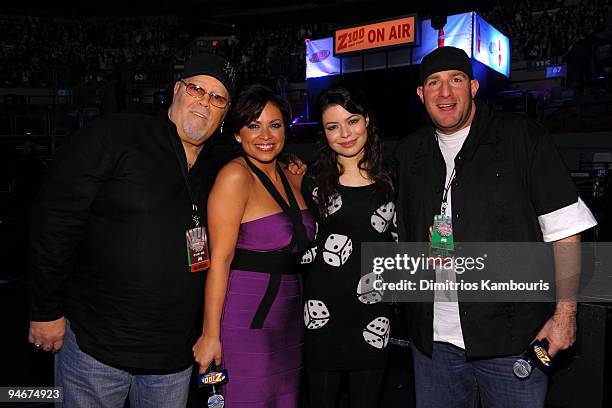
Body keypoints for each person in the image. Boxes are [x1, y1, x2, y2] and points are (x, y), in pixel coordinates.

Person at [28, 53, 236, 407]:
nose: (204, 101)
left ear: (224, 114)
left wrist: (291, 167)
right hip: (96, 349)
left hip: (173, 358)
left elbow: (266, 161)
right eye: (196, 88)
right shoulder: (116, 134)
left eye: (217, 98)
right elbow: (55, 220)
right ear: (176, 90)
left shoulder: (221, 163)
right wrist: (44, 309)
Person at [394, 46, 598, 407]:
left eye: (455, 80)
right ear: (420, 94)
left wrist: (565, 315)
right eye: (434, 83)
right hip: (432, 345)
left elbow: (566, 229)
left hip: (512, 341)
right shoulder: (409, 154)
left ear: (472, 87)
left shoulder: (522, 138)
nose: (445, 93)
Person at [192, 84, 314, 408]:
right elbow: (219, 261)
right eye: (253, 125)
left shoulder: (292, 175)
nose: (266, 135)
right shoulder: (235, 177)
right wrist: (210, 334)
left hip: (289, 317)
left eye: (274, 125)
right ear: (237, 134)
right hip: (246, 319)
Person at [301, 83, 395, 407]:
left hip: (373, 314)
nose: (344, 133)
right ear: (323, 133)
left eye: (352, 120)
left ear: (367, 119)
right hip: (321, 314)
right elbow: (305, 243)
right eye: (332, 126)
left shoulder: (392, 178)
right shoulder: (311, 180)